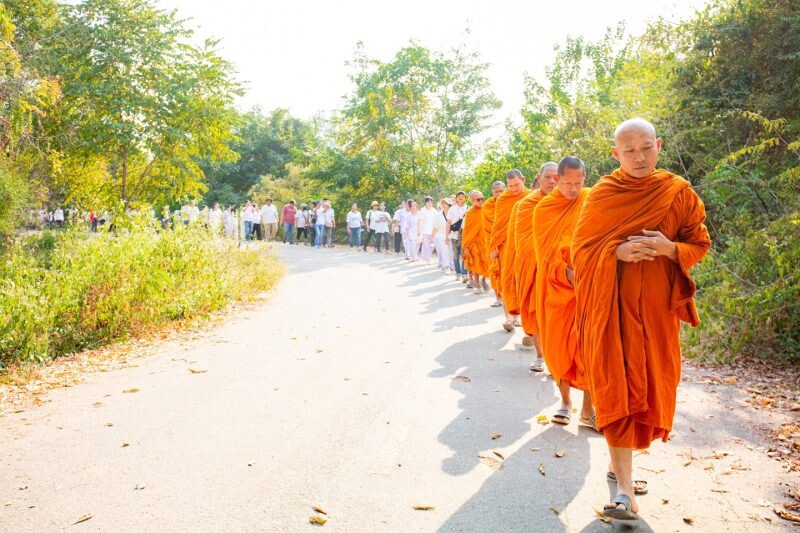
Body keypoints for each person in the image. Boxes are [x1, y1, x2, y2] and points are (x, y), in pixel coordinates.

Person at [571, 119, 711, 520]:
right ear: (615, 154)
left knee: (648, 388)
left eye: (646, 147)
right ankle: (625, 492)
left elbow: (698, 243)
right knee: (616, 385)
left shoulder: (677, 192)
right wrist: (614, 254)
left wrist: (670, 250)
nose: (639, 157)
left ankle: (620, 470)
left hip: (654, 316)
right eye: (629, 150)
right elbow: (580, 253)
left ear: (659, 146)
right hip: (609, 311)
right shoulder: (602, 196)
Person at [532, 156, 595, 433]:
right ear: (556, 180)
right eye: (568, 183)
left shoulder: (593, 200)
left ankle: (589, 409)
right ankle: (565, 402)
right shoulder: (545, 209)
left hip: (589, 288)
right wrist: (564, 271)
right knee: (558, 348)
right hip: (557, 290)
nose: (573, 188)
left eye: (578, 182)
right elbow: (543, 256)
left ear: (585, 178)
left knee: (591, 348)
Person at [512, 163, 557, 371]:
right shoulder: (527, 204)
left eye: (556, 177)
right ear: (539, 177)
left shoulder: (568, 202)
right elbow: (522, 239)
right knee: (537, 313)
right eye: (547, 177)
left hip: (561, 270)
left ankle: (558, 361)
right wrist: (546, 255)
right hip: (534, 268)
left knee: (559, 318)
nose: (551, 181)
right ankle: (540, 356)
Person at [489, 171, 528, 331]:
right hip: (506, 247)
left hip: (524, 247)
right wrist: (494, 247)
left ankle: (521, 317)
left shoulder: (531, 197)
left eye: (517, 185)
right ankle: (508, 317)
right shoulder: (503, 199)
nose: (514, 189)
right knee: (507, 280)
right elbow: (498, 226)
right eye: (511, 186)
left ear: (523, 179)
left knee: (523, 282)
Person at [482, 181, 505, 305]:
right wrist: (494, 244)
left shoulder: (510, 202)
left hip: (507, 242)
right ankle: (498, 297)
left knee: (507, 271)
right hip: (492, 242)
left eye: (501, 191)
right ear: (492, 192)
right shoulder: (487, 205)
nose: (499, 193)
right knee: (495, 271)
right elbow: (487, 226)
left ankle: (509, 298)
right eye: (496, 191)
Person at [462, 190, 489, 293]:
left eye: (482, 198)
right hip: (473, 242)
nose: (481, 201)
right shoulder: (469, 213)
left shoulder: (486, 209)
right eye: (478, 199)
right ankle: (477, 286)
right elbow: (467, 230)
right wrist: (466, 247)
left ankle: (483, 279)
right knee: (475, 265)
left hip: (485, 241)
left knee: (486, 264)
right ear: (472, 200)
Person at [446, 191, 468, 279]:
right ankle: (458, 273)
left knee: (464, 255)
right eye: (459, 196)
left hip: (465, 236)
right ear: (456, 198)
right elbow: (448, 223)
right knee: (455, 255)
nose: (461, 198)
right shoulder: (452, 209)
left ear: (465, 198)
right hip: (454, 235)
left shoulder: (468, 209)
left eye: (463, 196)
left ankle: (464, 273)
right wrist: (446, 235)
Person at [432, 198, 452, 272]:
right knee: (444, 251)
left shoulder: (452, 213)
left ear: (449, 205)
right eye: (442, 203)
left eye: (445, 203)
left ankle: (451, 265)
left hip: (451, 235)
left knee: (451, 251)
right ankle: (446, 266)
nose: (443, 205)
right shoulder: (438, 215)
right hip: (441, 236)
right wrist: (432, 237)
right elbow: (435, 227)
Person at [419, 196, 438, 263]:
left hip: (433, 230)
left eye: (431, 202)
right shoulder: (422, 210)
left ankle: (427, 257)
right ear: (425, 203)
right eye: (428, 202)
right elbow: (420, 220)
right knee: (426, 245)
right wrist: (419, 229)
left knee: (433, 245)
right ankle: (428, 258)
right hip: (425, 230)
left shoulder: (434, 210)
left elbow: (437, 221)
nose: (429, 203)